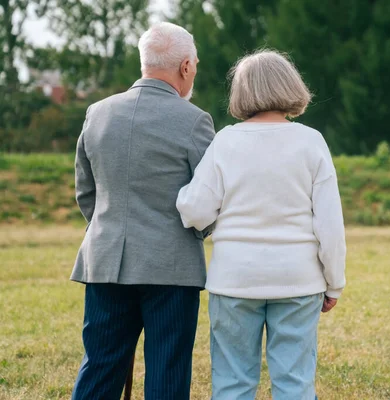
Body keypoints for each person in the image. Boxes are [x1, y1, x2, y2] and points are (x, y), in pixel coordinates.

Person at [177, 49, 347, 400]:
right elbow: (330, 225)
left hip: (235, 281)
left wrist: (182, 195)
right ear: (292, 86)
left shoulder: (226, 140)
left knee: (233, 384)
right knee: (295, 384)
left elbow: (195, 211)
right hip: (299, 281)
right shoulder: (311, 141)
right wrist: (334, 284)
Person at [70, 22, 215, 400]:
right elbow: (207, 198)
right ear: (185, 67)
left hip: (104, 262)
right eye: (195, 65)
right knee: (167, 374)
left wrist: (108, 227)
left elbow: (86, 191)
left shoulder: (97, 113)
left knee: (100, 367)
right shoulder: (195, 120)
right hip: (171, 267)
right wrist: (199, 232)